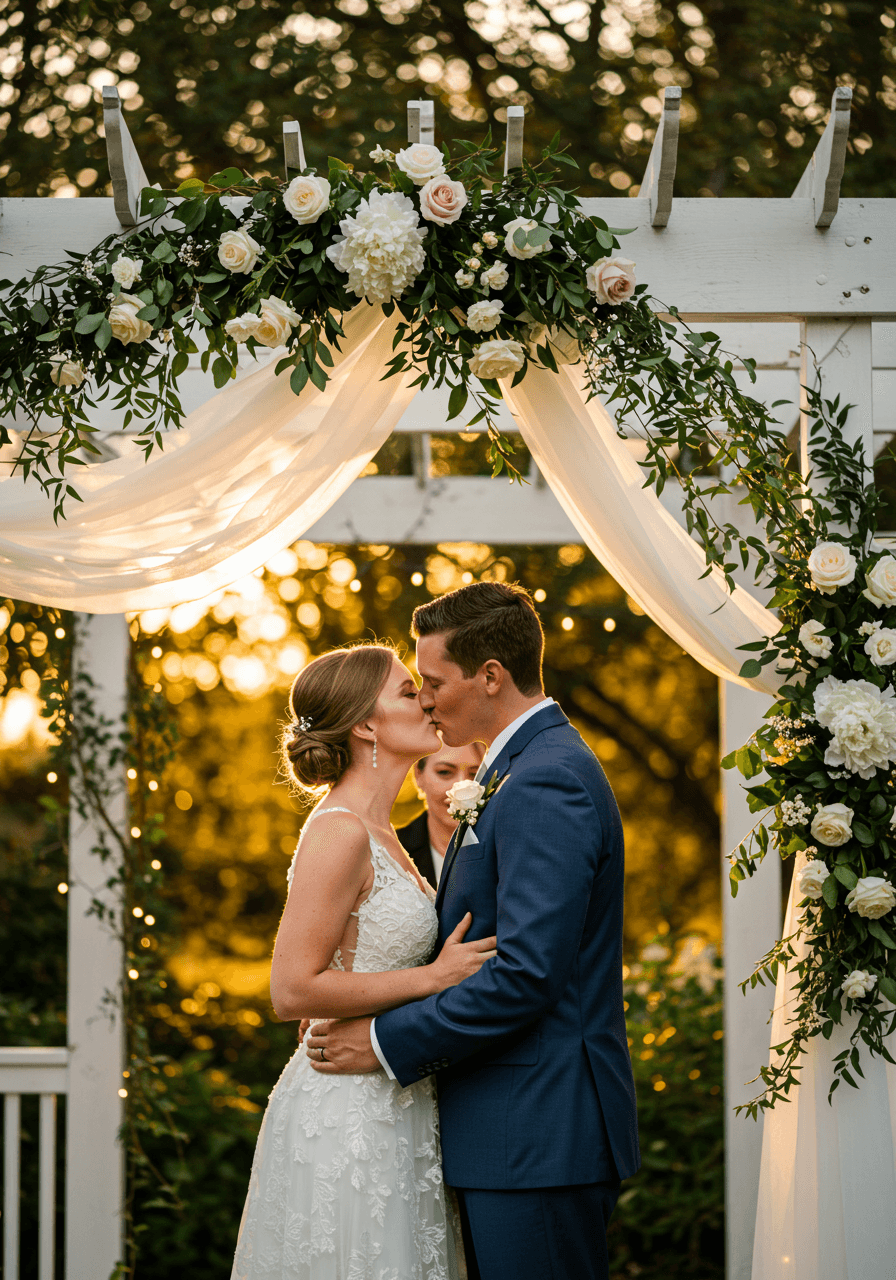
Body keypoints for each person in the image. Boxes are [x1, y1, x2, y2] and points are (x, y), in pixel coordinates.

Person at [306, 582, 640, 1280]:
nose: (426, 699)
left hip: (537, 1132)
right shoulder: (518, 769)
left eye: (433, 682)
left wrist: (381, 1043)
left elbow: (526, 975)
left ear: (490, 676)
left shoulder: (547, 780)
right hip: (508, 1131)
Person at [231, 643, 497, 1280]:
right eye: (408, 692)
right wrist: (433, 978)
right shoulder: (339, 831)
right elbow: (292, 990)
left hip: (399, 1096)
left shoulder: (388, 835)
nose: (427, 699)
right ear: (364, 724)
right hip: (345, 1112)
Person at [398, 742, 486, 890]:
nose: (461, 785)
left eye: (474, 774)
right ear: (418, 775)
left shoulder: (506, 847)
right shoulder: (397, 847)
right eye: (445, 772)